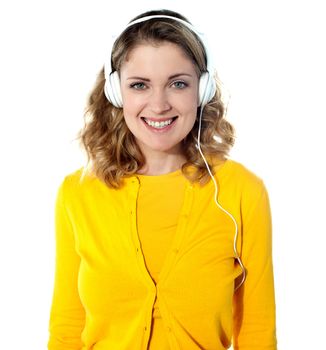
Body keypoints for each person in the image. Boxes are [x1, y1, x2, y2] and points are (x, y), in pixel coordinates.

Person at [47, 9, 277, 350]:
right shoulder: (78, 193)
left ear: (202, 90)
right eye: (139, 85)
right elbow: (67, 330)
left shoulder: (241, 192)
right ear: (115, 91)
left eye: (178, 83)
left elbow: (258, 333)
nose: (158, 104)